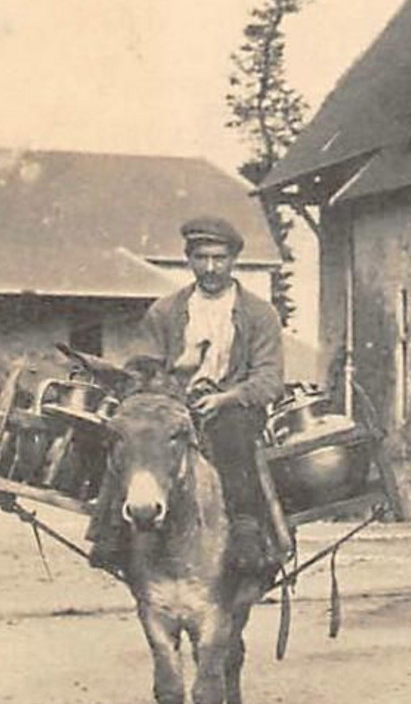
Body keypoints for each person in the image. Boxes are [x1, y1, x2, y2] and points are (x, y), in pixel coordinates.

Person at [86, 216, 288, 576]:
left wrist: (225, 398)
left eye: (219, 258)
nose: (210, 268)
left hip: (233, 407)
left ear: (233, 260)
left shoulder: (260, 314)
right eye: (201, 258)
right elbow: (141, 369)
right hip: (173, 404)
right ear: (189, 259)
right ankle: (110, 529)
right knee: (129, 434)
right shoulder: (165, 311)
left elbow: (269, 379)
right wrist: (172, 374)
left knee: (233, 433)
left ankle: (244, 530)